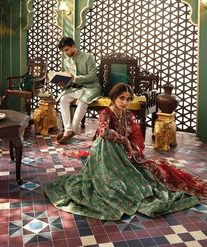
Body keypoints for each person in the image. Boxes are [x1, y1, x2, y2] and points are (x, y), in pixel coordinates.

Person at [44, 83, 207, 220]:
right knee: (106, 142)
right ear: (114, 98)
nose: (125, 102)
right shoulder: (106, 113)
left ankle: (125, 168)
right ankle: (112, 175)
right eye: (121, 98)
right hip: (105, 151)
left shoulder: (128, 114)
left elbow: (135, 136)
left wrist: (132, 148)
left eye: (128, 99)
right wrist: (124, 141)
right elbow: (104, 132)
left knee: (151, 172)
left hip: (123, 151)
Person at [56, 36, 101, 144]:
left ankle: (71, 131)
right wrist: (63, 84)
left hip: (91, 87)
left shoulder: (88, 57)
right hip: (76, 89)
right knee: (63, 99)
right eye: (63, 51)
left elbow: (93, 76)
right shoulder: (66, 61)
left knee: (82, 101)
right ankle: (68, 129)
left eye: (67, 49)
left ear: (73, 46)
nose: (65, 53)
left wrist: (75, 78)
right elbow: (69, 80)